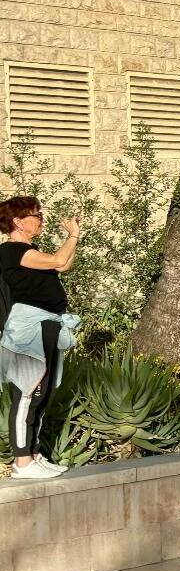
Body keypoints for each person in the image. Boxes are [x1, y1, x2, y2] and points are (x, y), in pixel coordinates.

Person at [0, 197, 80, 479]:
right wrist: (71, 236)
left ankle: (33, 454)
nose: (41, 220)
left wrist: (74, 237)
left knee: (41, 394)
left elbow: (62, 266)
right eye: (37, 215)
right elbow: (59, 259)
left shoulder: (31, 250)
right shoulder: (11, 251)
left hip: (45, 325)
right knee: (26, 392)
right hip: (27, 328)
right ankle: (22, 463)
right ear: (18, 222)